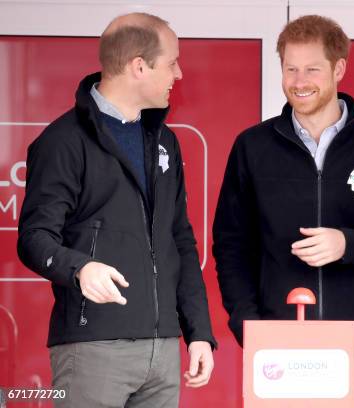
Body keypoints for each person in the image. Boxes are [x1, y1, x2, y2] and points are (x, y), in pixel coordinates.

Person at [213, 14, 354, 407]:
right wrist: (249, 326)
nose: (299, 80)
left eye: (311, 69)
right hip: (280, 348)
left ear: (339, 68)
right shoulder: (252, 147)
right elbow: (231, 247)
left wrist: (348, 245)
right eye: (290, 68)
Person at [17, 12, 216, 407]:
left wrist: (199, 333)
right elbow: (34, 238)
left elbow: (179, 240)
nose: (178, 74)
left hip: (162, 351)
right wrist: (80, 268)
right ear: (139, 66)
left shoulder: (164, 142)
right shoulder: (63, 142)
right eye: (172, 62)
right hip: (94, 350)